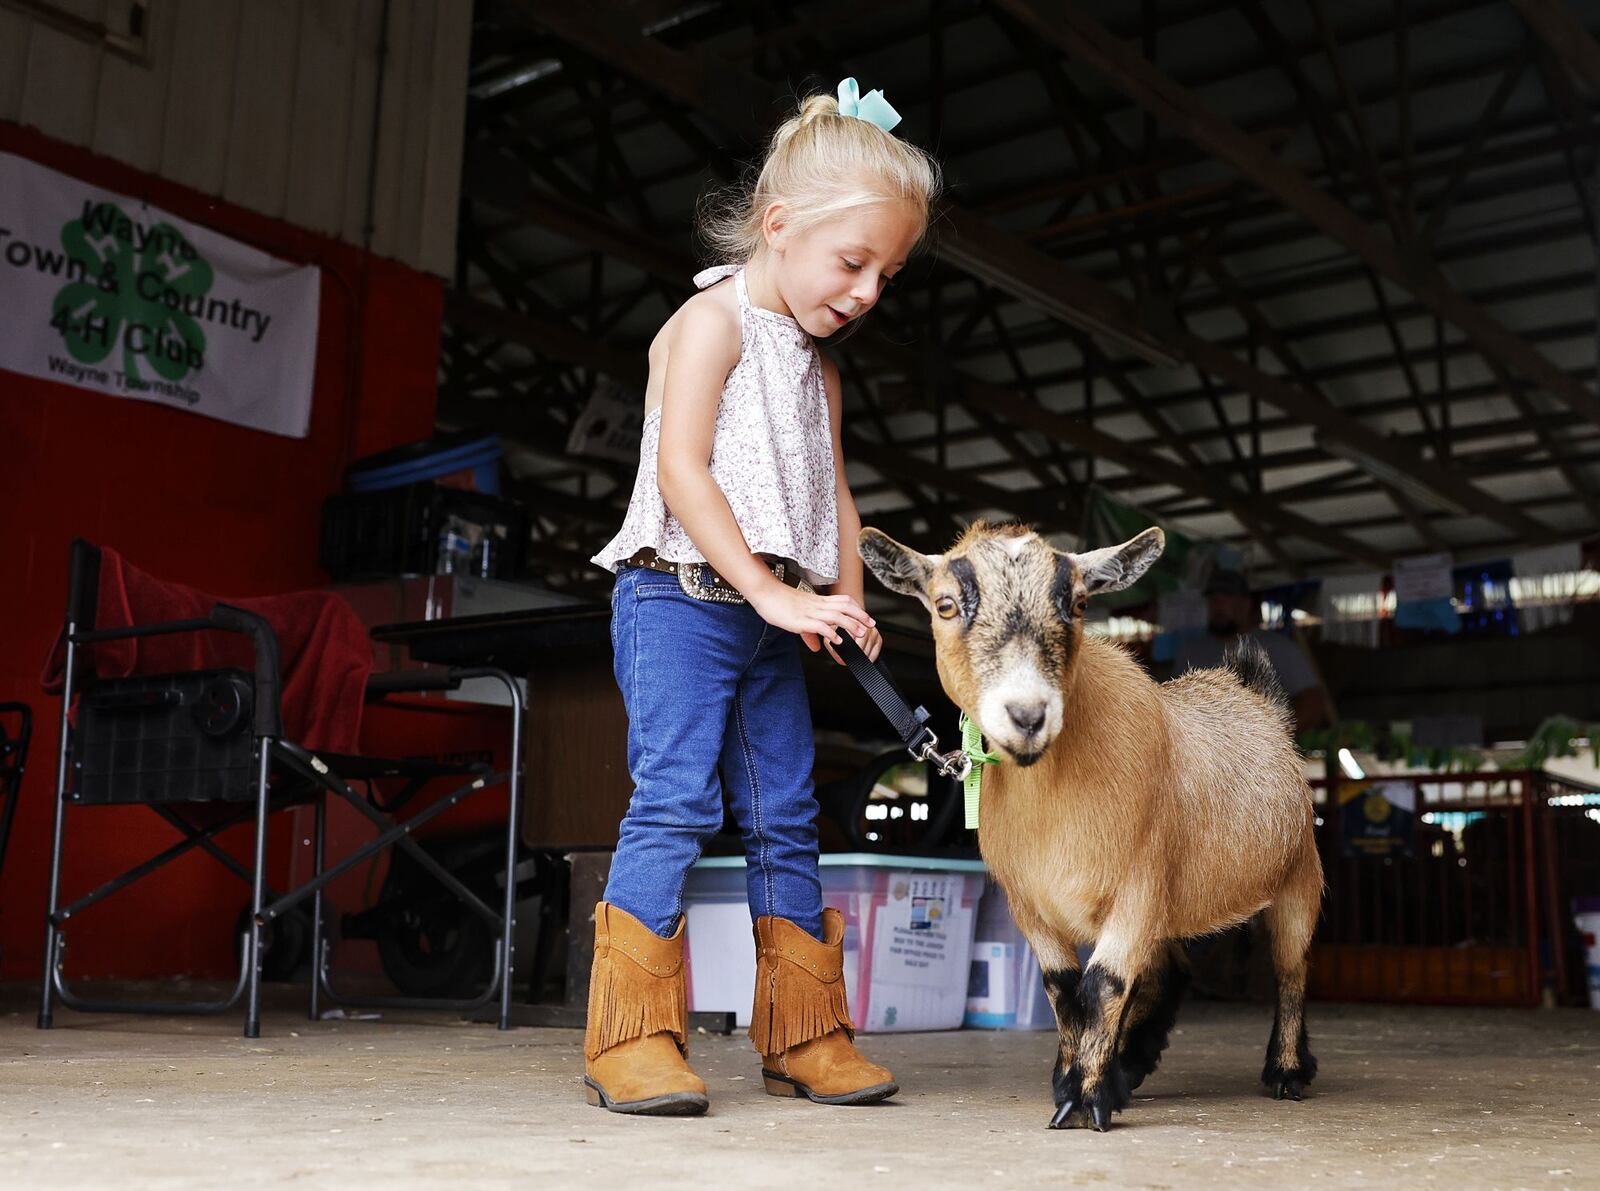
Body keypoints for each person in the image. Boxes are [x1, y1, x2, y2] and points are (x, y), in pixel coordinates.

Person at [584, 80, 942, 1116]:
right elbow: (684, 471)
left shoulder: (817, 367)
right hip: (679, 602)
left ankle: (805, 1032)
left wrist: (839, 590)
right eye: (853, 261)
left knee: (786, 815)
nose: (870, 288)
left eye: (889, 271)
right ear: (780, 227)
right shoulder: (710, 323)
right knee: (676, 803)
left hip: (769, 614)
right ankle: (631, 1034)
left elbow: (831, 485)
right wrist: (765, 592)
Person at [1172, 568, 1330, 735]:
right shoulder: (1191, 650)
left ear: (1245, 604)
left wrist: (1274, 736)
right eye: (1213, 601)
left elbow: (1313, 701)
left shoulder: (1277, 647)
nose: (1218, 607)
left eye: (1225, 600)